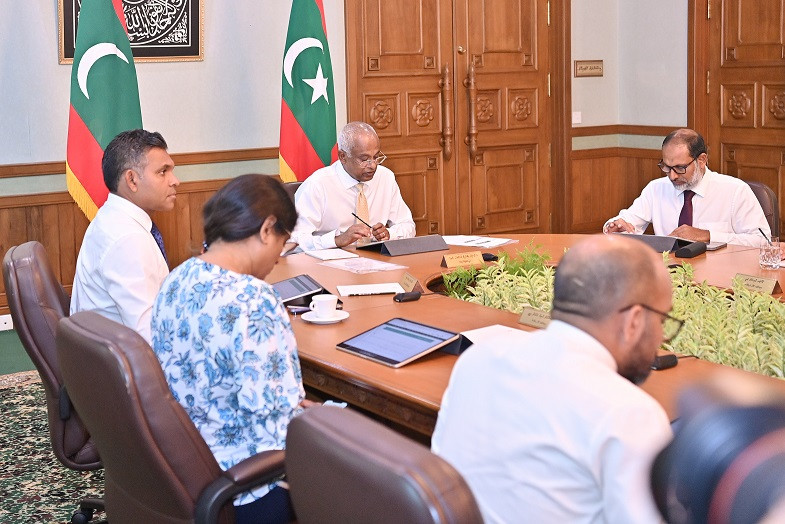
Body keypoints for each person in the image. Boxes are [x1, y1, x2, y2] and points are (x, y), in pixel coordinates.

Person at [431, 234, 675, 523]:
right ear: (634, 321)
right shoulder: (629, 413)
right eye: (662, 320)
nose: (661, 337)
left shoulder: (477, 359)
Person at [151, 174, 304, 523]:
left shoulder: (177, 277)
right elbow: (280, 421)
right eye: (282, 242)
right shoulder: (255, 299)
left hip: (184, 464)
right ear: (267, 229)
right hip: (252, 485)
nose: (279, 257)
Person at [70, 129, 178, 344]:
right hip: (122, 368)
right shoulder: (128, 239)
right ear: (132, 180)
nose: (175, 181)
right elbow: (148, 336)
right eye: (162, 172)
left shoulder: (113, 218)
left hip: (106, 357)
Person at [603, 128, 770, 247]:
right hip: (669, 277)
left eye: (680, 168)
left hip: (718, 279)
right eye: (666, 167)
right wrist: (615, 226)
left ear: (702, 160)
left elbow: (762, 241)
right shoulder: (656, 189)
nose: (672, 176)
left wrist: (708, 235)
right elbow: (628, 221)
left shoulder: (735, 191)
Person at [290, 121, 415, 250]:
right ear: (343, 156)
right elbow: (293, 240)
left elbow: (408, 225)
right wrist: (337, 240)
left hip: (376, 260)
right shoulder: (317, 185)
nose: (372, 165)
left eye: (376, 157)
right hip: (330, 262)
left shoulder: (385, 178)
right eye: (364, 159)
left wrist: (389, 234)